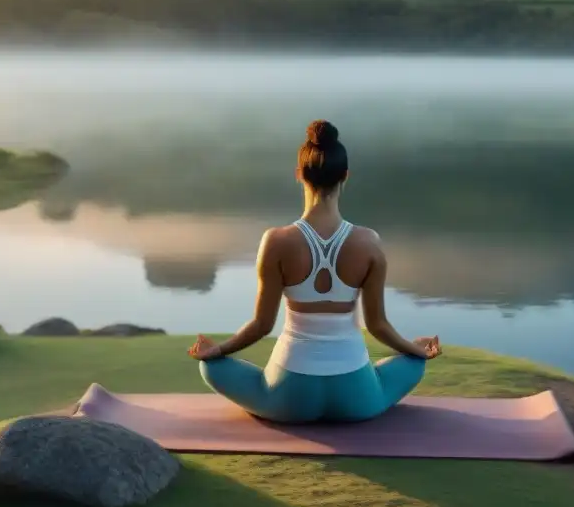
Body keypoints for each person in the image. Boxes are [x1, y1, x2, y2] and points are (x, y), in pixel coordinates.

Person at [187, 119, 442, 424]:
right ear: (345, 176)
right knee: (414, 364)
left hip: (288, 398)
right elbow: (377, 326)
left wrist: (218, 351)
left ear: (299, 174)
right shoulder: (368, 242)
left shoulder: (276, 241)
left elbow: (262, 324)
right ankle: (382, 376)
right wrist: (415, 350)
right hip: (357, 398)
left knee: (210, 368)